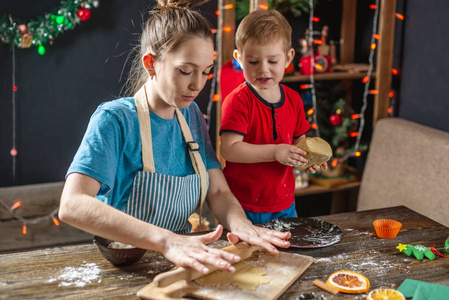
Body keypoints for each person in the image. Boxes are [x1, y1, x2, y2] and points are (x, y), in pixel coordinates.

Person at [59, 0, 291, 276]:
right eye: (185, 71)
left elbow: (217, 191)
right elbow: (72, 204)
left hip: (183, 261)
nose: (197, 85)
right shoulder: (115, 120)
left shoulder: (191, 115)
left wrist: (241, 225)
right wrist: (167, 241)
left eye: (206, 71)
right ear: (151, 63)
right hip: (130, 267)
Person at [220, 9, 328, 225]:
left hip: (284, 203)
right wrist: (276, 151)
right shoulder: (238, 101)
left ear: (287, 58)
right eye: (252, 62)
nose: (263, 69)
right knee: (246, 257)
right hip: (243, 204)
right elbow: (229, 149)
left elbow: (299, 140)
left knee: (287, 255)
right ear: (239, 59)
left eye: (272, 61)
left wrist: (306, 158)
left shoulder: (294, 100)